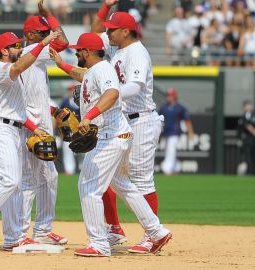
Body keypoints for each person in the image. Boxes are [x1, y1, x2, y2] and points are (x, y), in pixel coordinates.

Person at [50, 32, 172, 257]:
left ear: (87, 52)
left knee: (88, 186)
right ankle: (157, 231)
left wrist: (89, 116)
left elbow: (113, 92)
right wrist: (61, 64)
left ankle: (99, 243)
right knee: (122, 185)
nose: (76, 52)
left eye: (78, 49)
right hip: (114, 134)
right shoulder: (96, 70)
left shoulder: (103, 69)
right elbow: (84, 75)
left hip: (110, 136)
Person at [0, 30, 60, 246]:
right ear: (4, 51)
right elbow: (19, 66)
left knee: (15, 186)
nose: (20, 48)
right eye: (16, 46)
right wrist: (43, 42)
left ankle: (14, 238)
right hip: (0, 130)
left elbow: (17, 112)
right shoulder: (1, 69)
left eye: (20, 45)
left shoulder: (14, 77)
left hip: (15, 130)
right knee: (10, 180)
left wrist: (35, 129)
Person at [91, 1, 167, 254]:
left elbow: (135, 87)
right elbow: (92, 35)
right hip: (125, 119)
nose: (108, 33)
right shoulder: (119, 49)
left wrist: (109, 95)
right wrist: (104, 8)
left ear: (126, 31)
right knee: (111, 174)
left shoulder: (137, 52)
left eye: (112, 29)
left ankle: (152, 235)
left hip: (141, 118)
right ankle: (115, 229)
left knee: (142, 179)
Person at [0, 0, 70, 250]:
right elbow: (62, 42)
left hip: (41, 123)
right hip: (30, 126)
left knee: (49, 177)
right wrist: (49, 15)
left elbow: (35, 96)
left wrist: (54, 110)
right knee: (29, 180)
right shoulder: (34, 51)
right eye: (43, 33)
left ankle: (42, 230)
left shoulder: (36, 56)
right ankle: (19, 234)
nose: (49, 37)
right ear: (31, 35)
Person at [158, 87, 194, 175]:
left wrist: (190, 132)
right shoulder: (163, 107)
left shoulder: (179, 108)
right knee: (168, 150)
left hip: (174, 133)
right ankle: (176, 167)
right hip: (165, 132)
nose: (168, 97)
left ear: (174, 96)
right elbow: (157, 120)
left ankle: (167, 169)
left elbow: (187, 120)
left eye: (170, 95)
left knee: (171, 150)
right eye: (167, 95)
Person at [237, 100, 255, 175]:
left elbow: (253, 125)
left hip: (251, 139)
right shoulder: (245, 116)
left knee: (252, 155)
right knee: (248, 156)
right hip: (247, 138)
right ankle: (249, 171)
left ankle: (252, 172)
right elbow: (245, 125)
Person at [60, 84, 80, 175]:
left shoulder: (82, 101)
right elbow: (60, 117)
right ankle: (69, 170)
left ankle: (84, 168)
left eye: (73, 90)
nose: (71, 92)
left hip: (81, 129)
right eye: (70, 90)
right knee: (67, 150)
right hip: (68, 130)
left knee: (85, 150)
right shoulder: (65, 102)